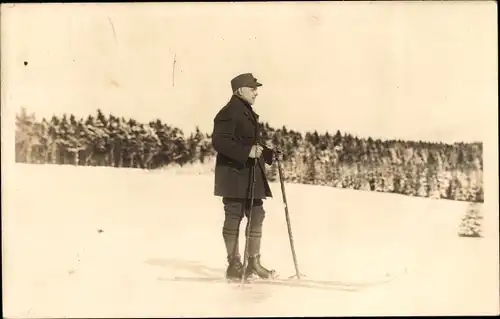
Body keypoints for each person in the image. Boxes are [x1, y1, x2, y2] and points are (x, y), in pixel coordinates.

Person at [211, 73, 280, 281]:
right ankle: (234, 264)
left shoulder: (246, 112)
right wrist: (246, 152)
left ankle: (253, 264)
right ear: (240, 90)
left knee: (257, 215)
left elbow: (250, 143)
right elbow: (219, 142)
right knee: (234, 217)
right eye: (253, 88)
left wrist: (269, 154)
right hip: (234, 176)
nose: (256, 92)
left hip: (251, 176)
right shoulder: (228, 112)